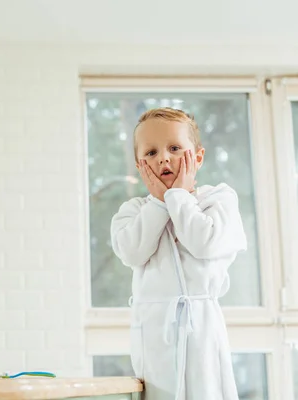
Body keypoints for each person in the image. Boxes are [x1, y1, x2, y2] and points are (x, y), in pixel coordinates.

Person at [110, 107, 247, 400]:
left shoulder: (218, 199)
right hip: (154, 334)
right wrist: (160, 204)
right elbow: (132, 252)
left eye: (174, 148)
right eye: (151, 152)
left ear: (197, 157)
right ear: (139, 165)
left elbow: (204, 243)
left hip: (202, 331)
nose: (163, 158)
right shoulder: (133, 212)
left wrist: (178, 197)